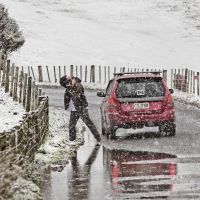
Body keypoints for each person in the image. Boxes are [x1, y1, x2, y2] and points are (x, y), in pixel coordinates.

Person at [60, 75, 101, 144]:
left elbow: (77, 95)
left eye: (68, 82)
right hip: (74, 109)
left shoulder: (78, 85)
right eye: (66, 84)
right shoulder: (69, 88)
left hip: (81, 108)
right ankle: (72, 140)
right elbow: (67, 96)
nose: (68, 85)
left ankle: (97, 137)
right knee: (71, 125)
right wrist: (67, 105)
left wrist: (71, 89)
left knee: (88, 123)